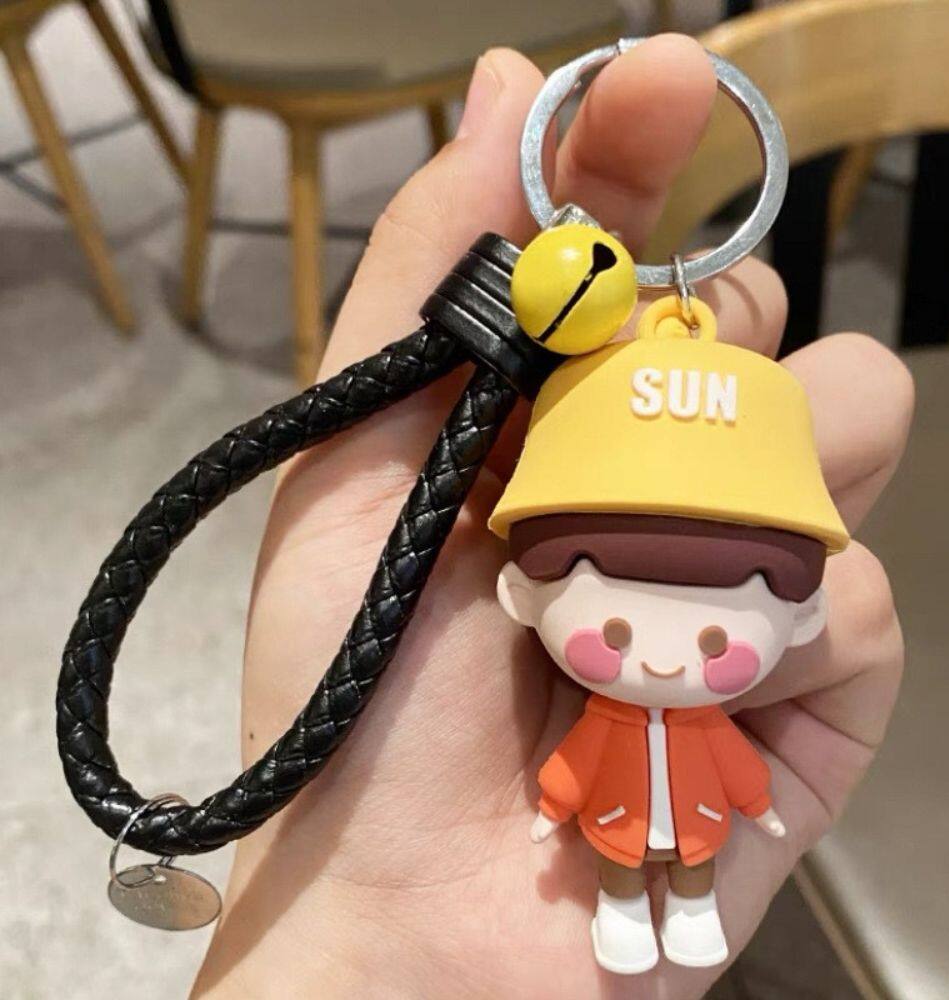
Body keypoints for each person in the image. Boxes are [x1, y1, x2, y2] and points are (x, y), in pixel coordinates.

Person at [191, 35, 912, 998]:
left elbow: (736, 777)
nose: (665, 660)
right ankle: (626, 913)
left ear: (801, 615)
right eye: (615, 627)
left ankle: (685, 911)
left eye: (713, 637)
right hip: (606, 827)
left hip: (688, 824)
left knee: (689, 863)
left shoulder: (703, 707)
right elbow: (577, 773)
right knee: (624, 868)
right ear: (523, 594)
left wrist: (757, 804)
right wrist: (379, 921)